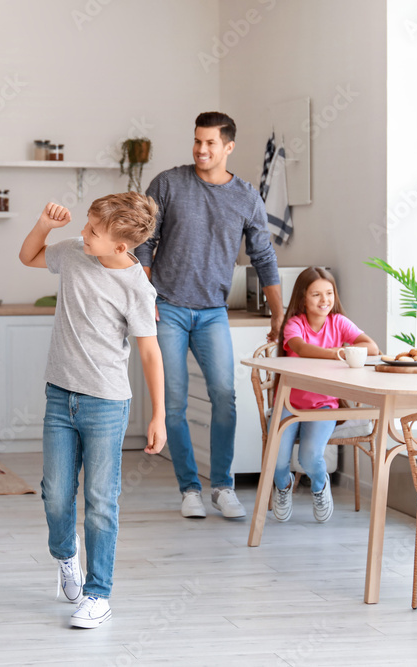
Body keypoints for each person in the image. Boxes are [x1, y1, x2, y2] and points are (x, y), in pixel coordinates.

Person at [19, 194, 167, 629]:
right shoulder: (73, 252)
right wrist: (44, 225)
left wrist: (158, 414)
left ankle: (98, 593)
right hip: (60, 397)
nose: (83, 233)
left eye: (94, 231)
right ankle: (67, 558)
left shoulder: (138, 287)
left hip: (105, 404)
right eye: (86, 225)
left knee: (101, 501)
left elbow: (149, 354)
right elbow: (28, 255)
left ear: (122, 247)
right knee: (55, 494)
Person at [135, 111, 283, 520]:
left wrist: (278, 315)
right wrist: (146, 294)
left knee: (225, 396)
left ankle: (223, 486)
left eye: (210, 143)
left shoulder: (246, 197)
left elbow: (264, 257)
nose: (201, 149)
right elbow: (144, 242)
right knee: (174, 401)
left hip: (213, 312)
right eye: (197, 141)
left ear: (229, 147)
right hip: (167, 306)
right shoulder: (168, 184)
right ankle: (189, 489)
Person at [272, 267, 378, 523]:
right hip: (289, 403)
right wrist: (337, 352)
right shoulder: (294, 324)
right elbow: (301, 347)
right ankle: (283, 487)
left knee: (309, 457)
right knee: (277, 459)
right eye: (316, 295)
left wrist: (346, 348)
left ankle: (320, 486)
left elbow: (371, 347)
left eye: (329, 293)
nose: (324, 300)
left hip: (323, 405)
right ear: (302, 299)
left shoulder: (339, 322)